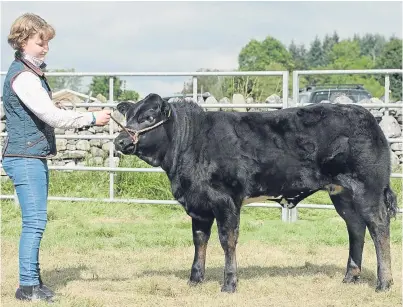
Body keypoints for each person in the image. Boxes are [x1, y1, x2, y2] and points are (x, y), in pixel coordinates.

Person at [1, 13, 111, 303]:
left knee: (35, 220)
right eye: (41, 42)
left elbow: (43, 109)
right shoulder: (24, 76)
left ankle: (34, 281)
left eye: (48, 42)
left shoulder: (28, 73)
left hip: (29, 154)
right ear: (23, 40)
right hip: (25, 156)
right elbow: (50, 116)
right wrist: (91, 117)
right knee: (35, 222)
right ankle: (27, 287)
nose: (46, 47)